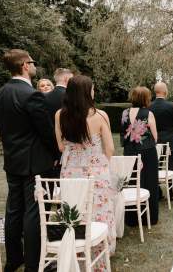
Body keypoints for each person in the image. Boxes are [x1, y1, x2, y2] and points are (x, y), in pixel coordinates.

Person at [0, 49, 59, 272]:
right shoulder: (32, 95)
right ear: (24, 65)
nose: (34, 65)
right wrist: (57, 154)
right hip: (34, 163)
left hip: (12, 160)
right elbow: (46, 132)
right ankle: (35, 264)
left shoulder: (1, 93)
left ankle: (14, 260)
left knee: (14, 210)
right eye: (32, 62)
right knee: (34, 211)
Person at [55, 75, 117, 262]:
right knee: (99, 213)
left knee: (76, 212)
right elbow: (110, 148)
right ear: (86, 92)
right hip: (96, 173)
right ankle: (99, 253)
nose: (94, 91)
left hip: (70, 172)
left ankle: (77, 252)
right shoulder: (99, 116)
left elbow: (60, 146)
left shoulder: (59, 115)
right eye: (92, 88)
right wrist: (98, 163)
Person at [121, 86, 159, 225]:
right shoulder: (148, 113)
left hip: (129, 151)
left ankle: (131, 219)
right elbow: (155, 136)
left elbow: (123, 133)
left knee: (131, 182)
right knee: (149, 182)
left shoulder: (124, 112)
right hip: (147, 151)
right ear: (146, 98)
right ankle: (150, 217)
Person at [149, 82, 173, 199]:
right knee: (171, 166)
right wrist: (171, 132)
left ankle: (157, 194)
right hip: (170, 141)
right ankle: (172, 194)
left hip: (154, 141)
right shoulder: (171, 106)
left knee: (155, 167)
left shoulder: (149, 106)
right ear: (165, 91)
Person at [45, 68, 73, 178]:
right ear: (66, 79)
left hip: (48, 145)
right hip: (67, 143)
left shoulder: (44, 97)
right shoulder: (70, 97)